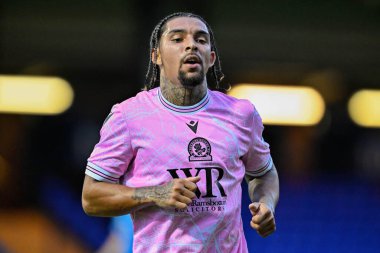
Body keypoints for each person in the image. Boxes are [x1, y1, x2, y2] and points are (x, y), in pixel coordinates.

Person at [82, 12, 279, 253]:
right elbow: (91, 197)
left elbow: (264, 174)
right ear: (156, 56)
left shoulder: (241, 114)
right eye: (177, 39)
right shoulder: (128, 117)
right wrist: (155, 193)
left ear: (211, 58)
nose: (191, 44)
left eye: (201, 40)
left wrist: (266, 203)